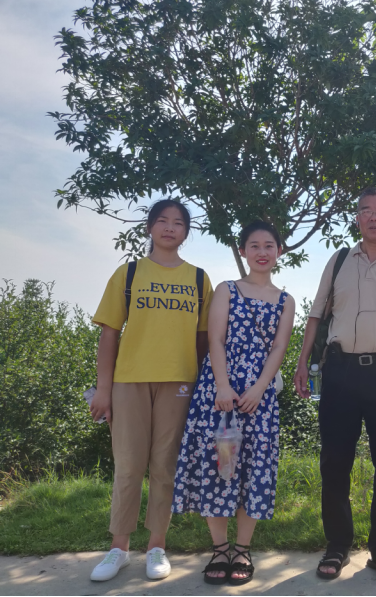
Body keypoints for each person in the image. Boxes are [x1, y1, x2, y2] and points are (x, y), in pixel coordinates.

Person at [294, 187, 376, 582]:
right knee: (334, 463)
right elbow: (316, 315)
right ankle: (337, 546)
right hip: (341, 373)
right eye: (366, 210)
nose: (373, 216)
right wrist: (302, 362)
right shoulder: (339, 261)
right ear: (357, 218)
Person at [88, 200, 213, 582]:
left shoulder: (198, 279)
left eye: (178, 223)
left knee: (164, 466)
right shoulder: (128, 274)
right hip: (129, 381)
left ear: (186, 232)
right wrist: (103, 390)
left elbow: (204, 339)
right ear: (150, 227)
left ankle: (157, 546)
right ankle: (118, 549)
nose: (170, 228)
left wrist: (199, 386)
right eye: (163, 221)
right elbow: (109, 334)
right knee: (128, 465)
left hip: (179, 382)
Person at [172, 220, 295, 586]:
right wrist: (223, 386)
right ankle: (220, 549)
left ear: (279, 251)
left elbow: (279, 347)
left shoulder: (286, 301)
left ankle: (242, 549)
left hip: (259, 397)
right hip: (220, 393)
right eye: (254, 245)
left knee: (253, 468)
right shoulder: (226, 289)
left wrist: (260, 389)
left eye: (269, 246)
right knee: (219, 466)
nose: (262, 252)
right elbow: (216, 340)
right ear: (243, 251)